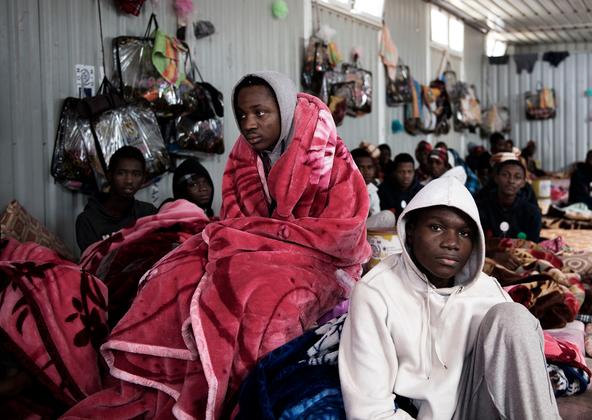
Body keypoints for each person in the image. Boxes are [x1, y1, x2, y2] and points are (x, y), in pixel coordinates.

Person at [65, 71, 371, 419]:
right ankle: (172, 383)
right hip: (259, 250)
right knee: (175, 272)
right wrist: (260, 239)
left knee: (260, 295)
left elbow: (344, 233)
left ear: (285, 110)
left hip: (324, 261)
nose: (249, 124)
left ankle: (239, 399)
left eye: (260, 113)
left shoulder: (325, 153)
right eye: (242, 115)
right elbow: (235, 218)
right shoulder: (245, 155)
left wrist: (266, 238)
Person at [339, 176, 559, 419]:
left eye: (464, 233)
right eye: (436, 227)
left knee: (514, 318)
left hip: (476, 407)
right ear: (410, 231)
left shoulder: (487, 290)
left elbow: (519, 368)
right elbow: (370, 409)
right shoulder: (377, 292)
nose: (451, 243)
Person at [75, 146, 157, 251]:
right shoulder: (88, 221)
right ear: (109, 176)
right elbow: (92, 259)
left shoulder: (148, 213)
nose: (129, 180)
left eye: (136, 174)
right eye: (121, 173)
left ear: (143, 179)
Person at [476, 158, 542, 242]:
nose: (511, 181)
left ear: (523, 183)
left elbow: (532, 244)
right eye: (505, 175)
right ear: (496, 178)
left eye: (517, 177)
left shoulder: (532, 213)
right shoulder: (480, 209)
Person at [353, 147, 395, 229]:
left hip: (362, 229)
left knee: (388, 216)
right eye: (362, 167)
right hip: (347, 228)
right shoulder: (344, 188)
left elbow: (375, 216)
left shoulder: (372, 190)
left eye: (369, 167)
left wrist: (368, 214)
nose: (366, 171)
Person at [378, 153, 423, 218]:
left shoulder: (422, 191)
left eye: (409, 171)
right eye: (401, 172)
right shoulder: (383, 190)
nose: (406, 176)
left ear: (414, 172)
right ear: (394, 172)